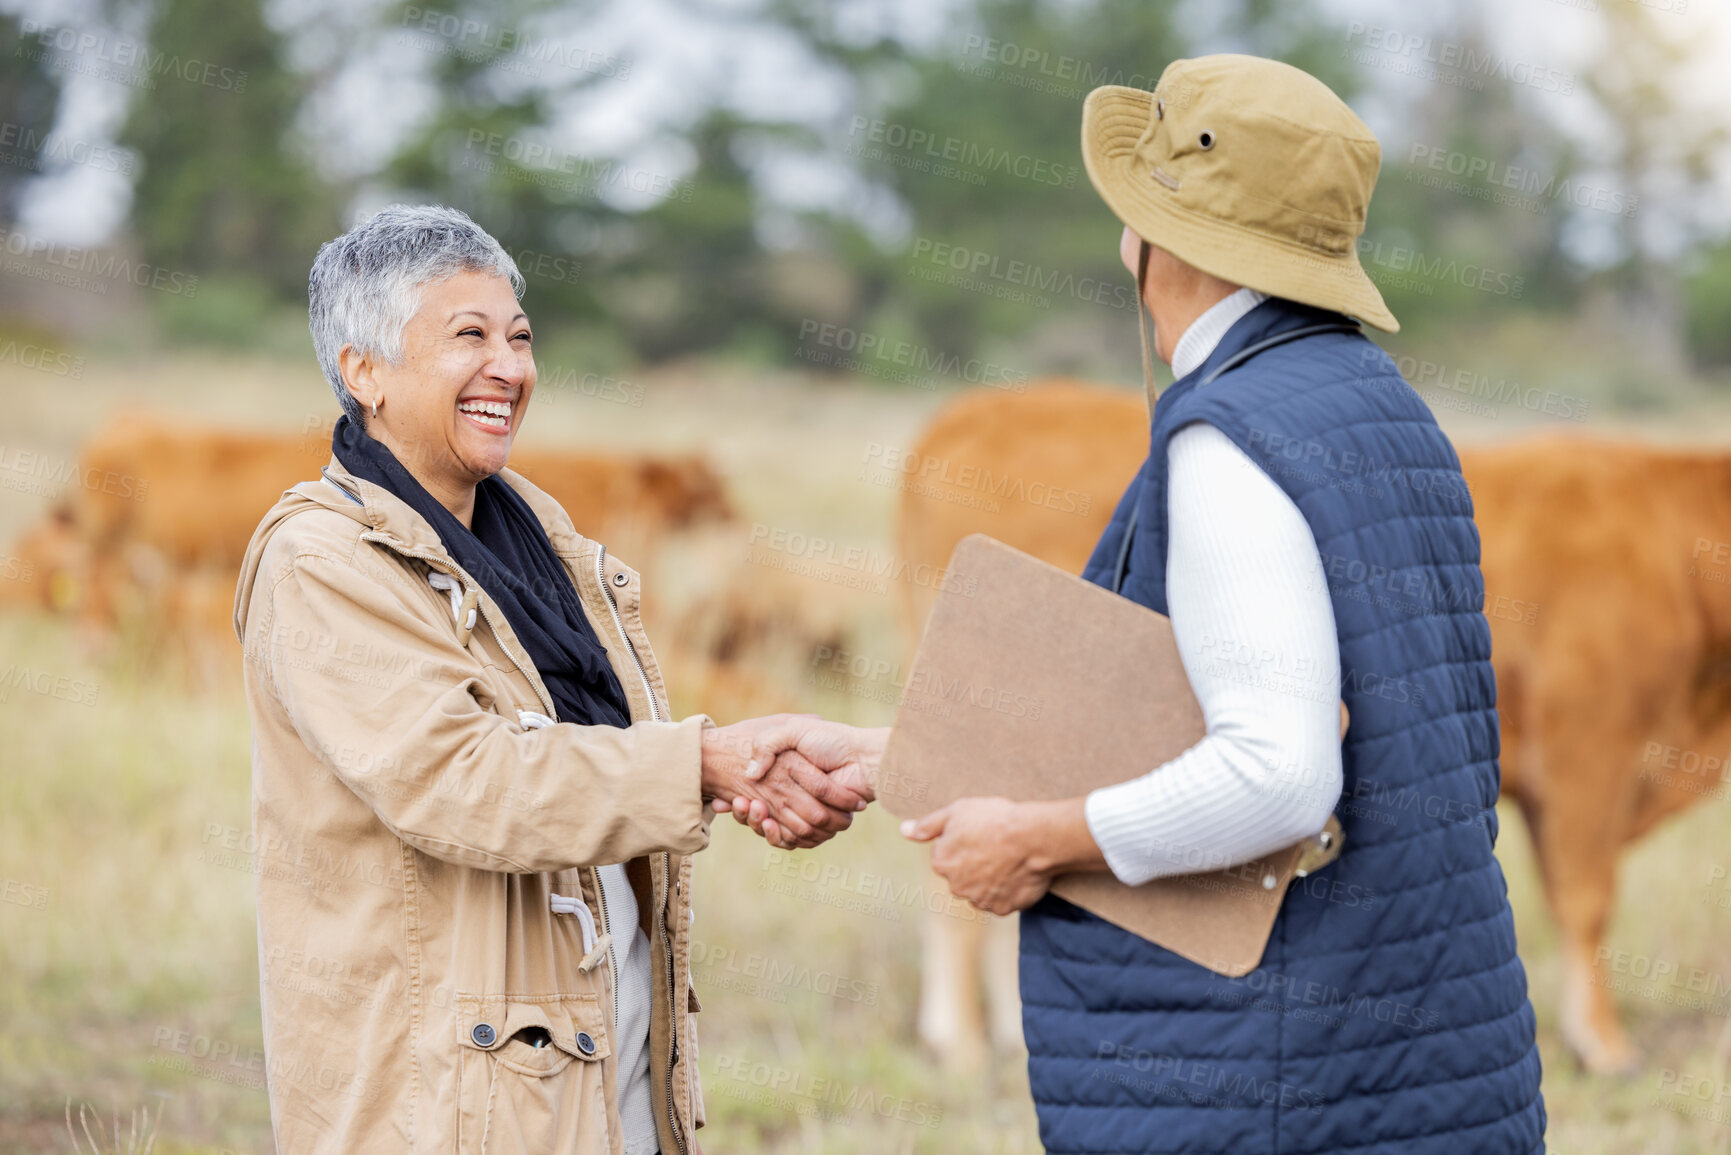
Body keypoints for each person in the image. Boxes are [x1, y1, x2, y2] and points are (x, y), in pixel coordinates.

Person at [734, 54, 1546, 1153]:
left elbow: (1279, 774)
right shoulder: (1380, 409)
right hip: (1415, 1053)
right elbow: (1179, 718)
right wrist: (894, 755)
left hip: (1276, 1076)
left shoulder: (1231, 435)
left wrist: (1036, 841)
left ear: (1155, 236)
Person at [232, 204, 867, 1155]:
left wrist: (737, 763)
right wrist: (706, 763)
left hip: (589, 1058)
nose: (509, 367)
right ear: (363, 371)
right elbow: (463, 781)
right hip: (441, 1099)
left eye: (519, 337)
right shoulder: (321, 562)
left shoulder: (535, 529)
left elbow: (593, 747)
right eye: (469, 337)